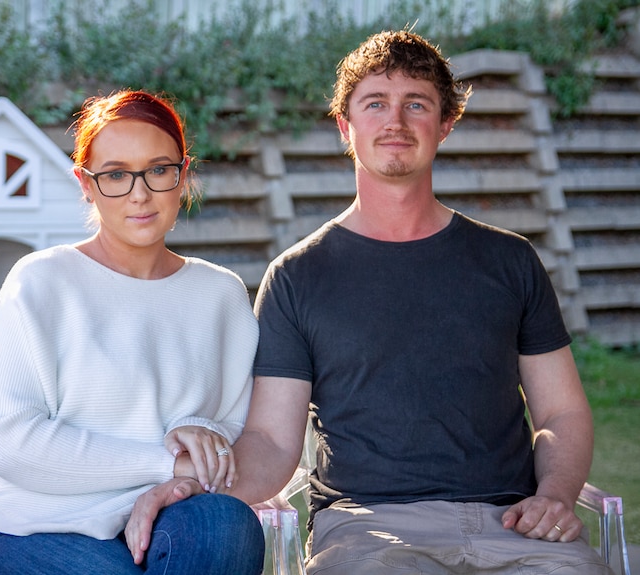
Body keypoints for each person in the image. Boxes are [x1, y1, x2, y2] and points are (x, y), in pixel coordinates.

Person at [227, 30, 614, 574]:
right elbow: (269, 437)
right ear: (346, 126)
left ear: (446, 124)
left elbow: (562, 411)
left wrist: (554, 494)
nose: (396, 121)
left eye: (417, 104)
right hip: (367, 531)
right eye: (376, 104)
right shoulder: (297, 277)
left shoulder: (510, 261)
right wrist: (194, 484)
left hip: (514, 525)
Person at [0, 90, 264, 575]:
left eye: (158, 170)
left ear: (182, 175)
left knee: (223, 525)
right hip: (31, 524)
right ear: (85, 183)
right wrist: (169, 462)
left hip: (168, 511)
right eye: (116, 175)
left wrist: (201, 434)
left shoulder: (220, 294)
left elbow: (236, 422)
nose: (139, 194)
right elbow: (10, 442)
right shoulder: (40, 282)